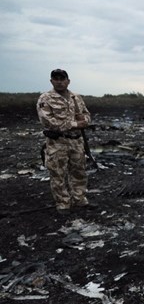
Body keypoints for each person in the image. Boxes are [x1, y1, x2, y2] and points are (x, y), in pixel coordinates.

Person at [37, 69, 92, 214]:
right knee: (58, 173)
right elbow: (48, 121)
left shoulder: (76, 97)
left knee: (79, 171)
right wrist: (75, 124)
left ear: (68, 81)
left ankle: (79, 199)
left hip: (76, 141)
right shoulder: (45, 98)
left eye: (62, 79)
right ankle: (63, 204)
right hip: (58, 142)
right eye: (56, 79)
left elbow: (86, 115)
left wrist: (85, 121)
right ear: (51, 81)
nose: (59, 81)